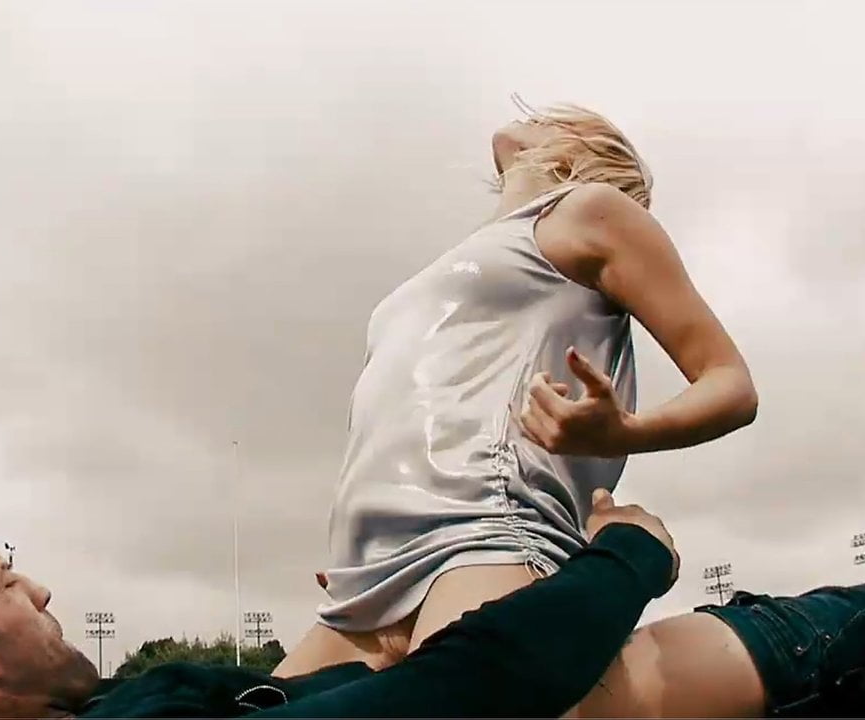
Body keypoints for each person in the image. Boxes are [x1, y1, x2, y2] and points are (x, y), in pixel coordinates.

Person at [276, 97, 759, 677]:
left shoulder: (589, 210)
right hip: (364, 581)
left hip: (488, 529)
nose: (528, 117)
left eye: (551, 120)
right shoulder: (469, 254)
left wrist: (625, 432)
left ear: (581, 155)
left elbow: (731, 383)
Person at [0, 492, 865, 718]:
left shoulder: (116, 711)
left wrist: (361, 619)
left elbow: (292, 702)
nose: (42, 586)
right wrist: (629, 555)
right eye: (7, 583)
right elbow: (480, 688)